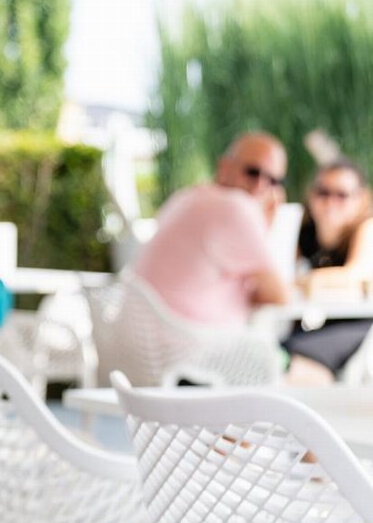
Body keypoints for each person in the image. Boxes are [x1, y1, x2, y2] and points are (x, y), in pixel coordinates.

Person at [134, 131, 292, 325]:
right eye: (253, 172)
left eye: (274, 181)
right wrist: (268, 222)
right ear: (224, 167)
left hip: (140, 334)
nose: (261, 185)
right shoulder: (236, 207)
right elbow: (278, 295)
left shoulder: (186, 197)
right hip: (190, 338)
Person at [283, 158, 373, 383]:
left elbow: (356, 273)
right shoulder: (303, 229)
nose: (330, 202)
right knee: (279, 352)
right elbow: (281, 273)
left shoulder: (366, 227)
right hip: (316, 322)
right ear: (311, 195)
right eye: (323, 192)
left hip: (360, 325)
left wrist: (307, 280)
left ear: (361, 198)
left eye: (342, 195)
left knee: (303, 364)